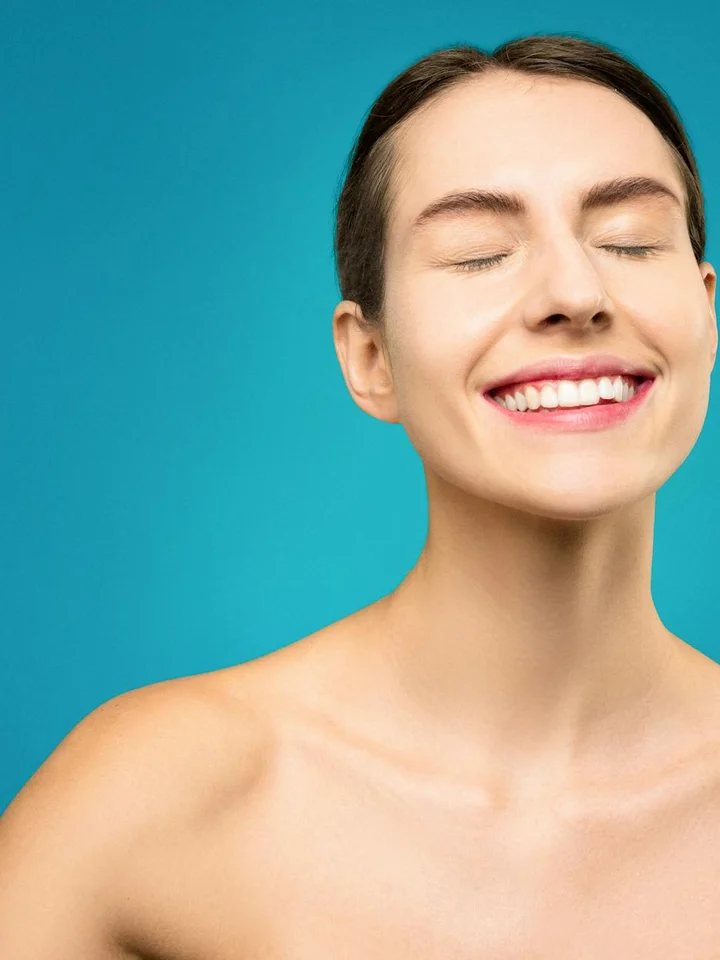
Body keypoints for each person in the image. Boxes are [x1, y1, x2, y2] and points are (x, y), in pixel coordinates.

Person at [2, 33, 720, 958]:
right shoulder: (156, 794)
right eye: (478, 253)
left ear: (705, 310)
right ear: (368, 357)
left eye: (630, 240)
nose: (576, 291)